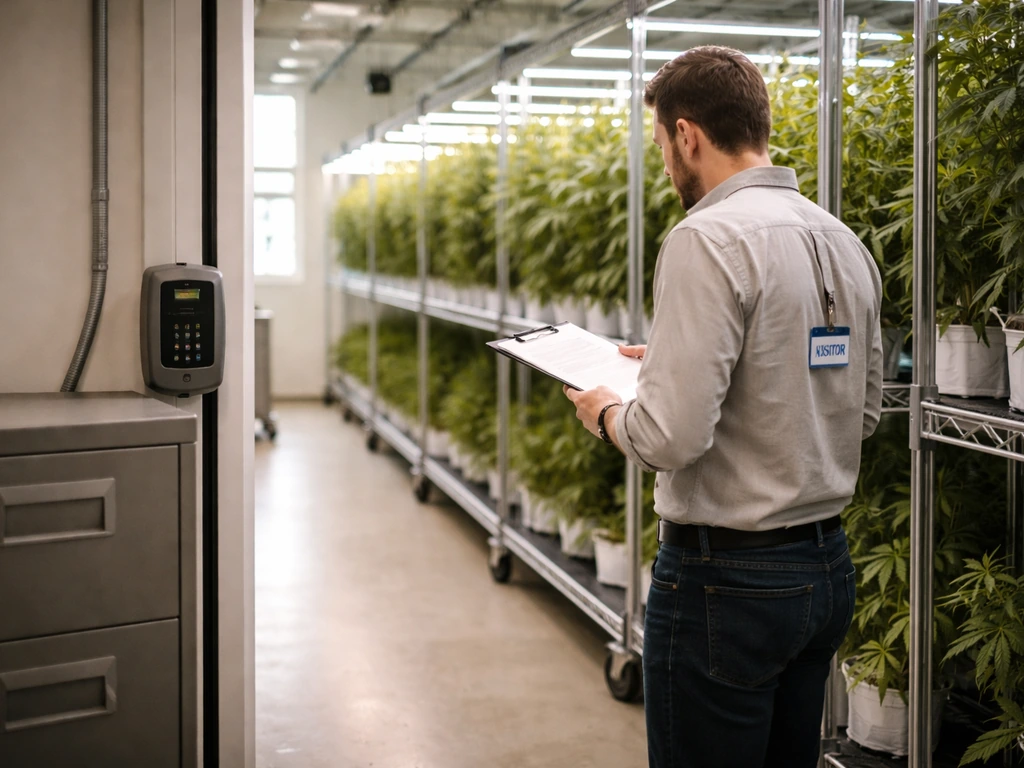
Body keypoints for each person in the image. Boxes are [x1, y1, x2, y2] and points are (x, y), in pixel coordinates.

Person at [565, 46, 883, 768]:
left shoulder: (705, 237)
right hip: (824, 571)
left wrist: (606, 412)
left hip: (724, 585)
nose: (668, 167)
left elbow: (669, 438)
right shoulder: (843, 239)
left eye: (663, 147)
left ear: (687, 135)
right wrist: (681, 363)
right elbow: (859, 411)